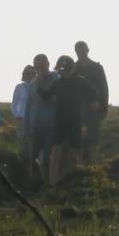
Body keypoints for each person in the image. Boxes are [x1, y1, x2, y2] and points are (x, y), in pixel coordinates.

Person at [41, 55, 93, 185]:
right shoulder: (57, 83)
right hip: (60, 121)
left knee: (75, 150)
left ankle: (78, 180)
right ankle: (53, 182)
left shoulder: (80, 81)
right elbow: (45, 96)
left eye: (67, 69)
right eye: (61, 70)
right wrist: (38, 84)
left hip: (76, 120)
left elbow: (93, 92)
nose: (64, 72)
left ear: (72, 69)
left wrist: (91, 103)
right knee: (56, 150)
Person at [74, 41, 110, 163]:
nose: (81, 53)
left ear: (87, 50)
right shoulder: (73, 68)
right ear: (76, 52)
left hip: (93, 108)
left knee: (93, 138)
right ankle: (79, 166)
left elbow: (103, 88)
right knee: (77, 138)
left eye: (83, 50)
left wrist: (103, 107)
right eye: (79, 51)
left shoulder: (97, 67)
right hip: (77, 109)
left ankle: (93, 166)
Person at [28, 53, 57, 186]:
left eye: (42, 66)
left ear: (48, 64)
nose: (40, 69)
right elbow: (29, 105)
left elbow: (56, 100)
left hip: (51, 125)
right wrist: (28, 125)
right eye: (37, 67)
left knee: (47, 157)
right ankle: (38, 181)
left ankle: (49, 185)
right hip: (35, 126)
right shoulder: (32, 84)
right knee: (30, 157)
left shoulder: (56, 79)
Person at [11, 64, 38, 164]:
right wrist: (17, 116)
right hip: (22, 120)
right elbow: (14, 104)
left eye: (32, 73)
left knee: (34, 143)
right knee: (22, 144)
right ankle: (22, 164)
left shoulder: (37, 86)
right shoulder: (19, 87)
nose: (29, 75)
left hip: (34, 119)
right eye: (27, 73)